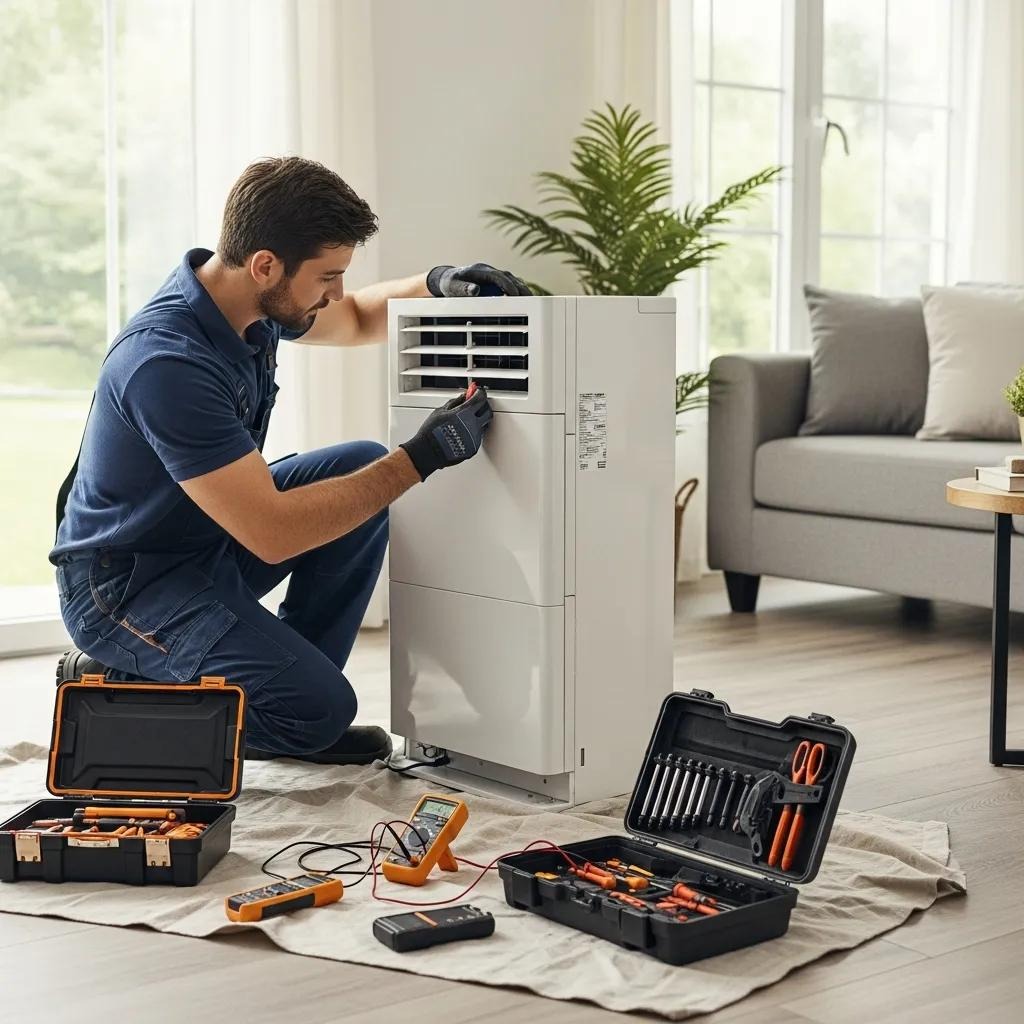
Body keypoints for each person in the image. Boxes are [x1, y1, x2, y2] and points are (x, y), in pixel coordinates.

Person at [51, 155, 531, 765]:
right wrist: (420, 458)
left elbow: (355, 316)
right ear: (265, 265)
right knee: (319, 710)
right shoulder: (167, 363)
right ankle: (128, 686)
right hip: (127, 589)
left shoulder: (248, 306)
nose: (334, 293)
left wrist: (438, 283)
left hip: (205, 541)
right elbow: (274, 534)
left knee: (358, 466)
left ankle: (282, 689)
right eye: (326, 276)